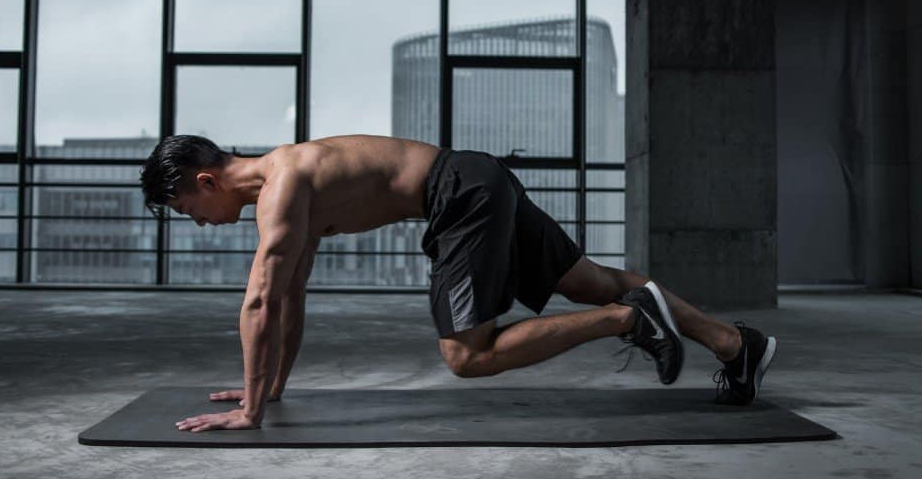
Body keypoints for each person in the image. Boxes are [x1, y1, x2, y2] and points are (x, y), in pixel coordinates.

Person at [139, 133, 777, 432]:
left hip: (459, 194)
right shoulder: (287, 180)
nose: (197, 224)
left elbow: (258, 300)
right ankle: (733, 344)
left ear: (205, 182)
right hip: (476, 177)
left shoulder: (281, 189)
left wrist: (250, 414)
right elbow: (290, 293)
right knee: (592, 280)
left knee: (468, 356)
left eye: (188, 212)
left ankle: (630, 320)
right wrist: (270, 389)